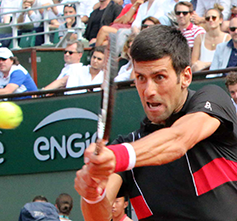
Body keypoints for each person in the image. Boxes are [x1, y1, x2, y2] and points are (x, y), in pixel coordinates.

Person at [74, 25, 237, 221]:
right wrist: (92, 195)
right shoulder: (126, 146)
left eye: (159, 77)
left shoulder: (213, 100)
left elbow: (178, 139)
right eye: (141, 78)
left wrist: (117, 157)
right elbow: (97, 218)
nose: (148, 90)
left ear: (185, 77)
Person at [192, 6, 231, 72]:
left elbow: (225, 62)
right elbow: (193, 63)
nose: (210, 20)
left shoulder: (227, 38)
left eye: (214, 18)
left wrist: (205, 64)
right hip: (202, 75)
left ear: (220, 20)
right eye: (207, 18)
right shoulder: (199, 38)